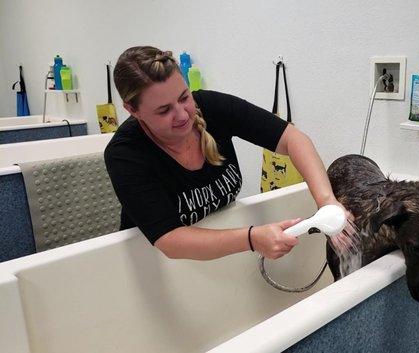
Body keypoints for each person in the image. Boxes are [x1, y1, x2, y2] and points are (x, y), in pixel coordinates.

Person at [104, 46, 349, 261]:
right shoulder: (125, 154)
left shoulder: (212, 107)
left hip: (219, 254)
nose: (182, 115)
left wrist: (326, 201)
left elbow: (293, 139)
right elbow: (170, 240)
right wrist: (252, 239)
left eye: (184, 97)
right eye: (164, 110)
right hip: (152, 263)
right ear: (132, 110)